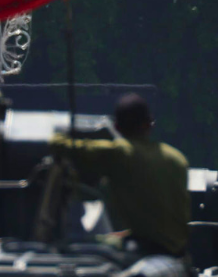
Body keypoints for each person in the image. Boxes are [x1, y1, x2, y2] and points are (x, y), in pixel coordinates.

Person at [51, 93, 190, 256]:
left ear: (117, 127)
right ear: (150, 124)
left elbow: (60, 145)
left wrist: (62, 132)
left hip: (148, 248)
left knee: (78, 244)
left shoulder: (120, 153)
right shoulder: (177, 158)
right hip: (178, 250)